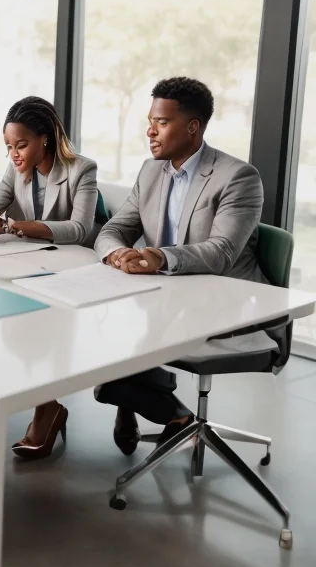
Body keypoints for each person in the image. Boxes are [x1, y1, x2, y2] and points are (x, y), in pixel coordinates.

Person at [93, 77, 267, 455]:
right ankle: (175, 416)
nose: (149, 131)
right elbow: (113, 229)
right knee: (97, 335)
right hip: (167, 299)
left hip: (224, 305)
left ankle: (157, 408)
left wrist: (160, 256)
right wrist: (116, 254)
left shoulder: (238, 177)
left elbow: (221, 251)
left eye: (162, 122)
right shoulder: (151, 171)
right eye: (150, 121)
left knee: (108, 371)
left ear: (193, 127)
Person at [0, 95, 98, 460]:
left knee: (40, 320)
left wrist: (12, 225)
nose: (13, 154)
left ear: (45, 138)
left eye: (21, 144)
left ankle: (46, 407)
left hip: (76, 269)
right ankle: (42, 402)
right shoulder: (16, 169)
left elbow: (79, 228)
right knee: (12, 317)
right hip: (30, 265)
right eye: (8, 146)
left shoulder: (81, 169)